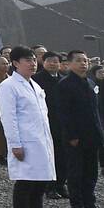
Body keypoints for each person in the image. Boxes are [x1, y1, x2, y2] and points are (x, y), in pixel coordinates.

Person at [0, 46, 63, 208]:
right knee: (25, 186)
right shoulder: (9, 86)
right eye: (27, 60)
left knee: (39, 185)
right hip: (25, 143)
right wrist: (15, 144)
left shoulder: (34, 85)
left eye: (34, 60)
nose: (32, 63)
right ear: (15, 63)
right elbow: (8, 117)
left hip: (40, 142)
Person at [58, 49, 104, 208]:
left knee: (91, 172)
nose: (83, 64)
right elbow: (64, 113)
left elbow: (96, 111)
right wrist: (72, 135)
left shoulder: (90, 82)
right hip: (76, 137)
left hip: (92, 134)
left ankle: (90, 203)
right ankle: (77, 204)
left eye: (86, 61)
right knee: (76, 172)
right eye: (79, 60)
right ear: (69, 64)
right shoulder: (65, 84)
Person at [33, 52, 68, 199]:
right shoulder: (36, 80)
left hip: (62, 123)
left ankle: (61, 184)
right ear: (44, 62)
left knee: (63, 156)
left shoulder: (64, 80)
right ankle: (50, 187)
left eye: (56, 61)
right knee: (49, 156)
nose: (53, 64)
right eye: (50, 61)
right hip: (46, 123)